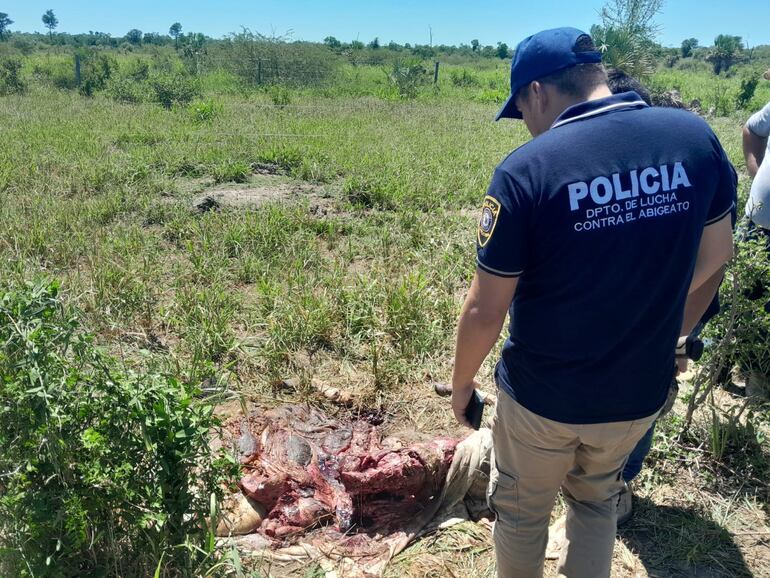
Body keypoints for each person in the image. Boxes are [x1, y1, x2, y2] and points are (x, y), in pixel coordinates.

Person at [450, 27, 736, 578]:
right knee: (595, 502)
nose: (529, 125)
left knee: (520, 512)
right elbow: (716, 256)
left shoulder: (526, 170)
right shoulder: (693, 138)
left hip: (541, 399)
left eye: (522, 110)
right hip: (635, 394)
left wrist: (463, 385)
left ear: (537, 92)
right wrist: (667, 336)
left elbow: (486, 310)